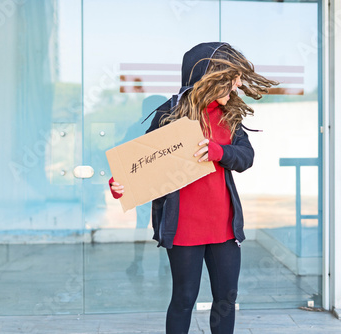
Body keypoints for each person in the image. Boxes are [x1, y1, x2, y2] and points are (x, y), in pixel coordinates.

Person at [109, 42, 277, 334]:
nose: (237, 83)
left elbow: (246, 158)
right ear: (210, 75)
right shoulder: (169, 114)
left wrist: (219, 152)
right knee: (184, 299)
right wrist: (122, 184)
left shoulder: (230, 115)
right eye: (232, 76)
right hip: (184, 227)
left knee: (226, 298)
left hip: (224, 227)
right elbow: (144, 165)